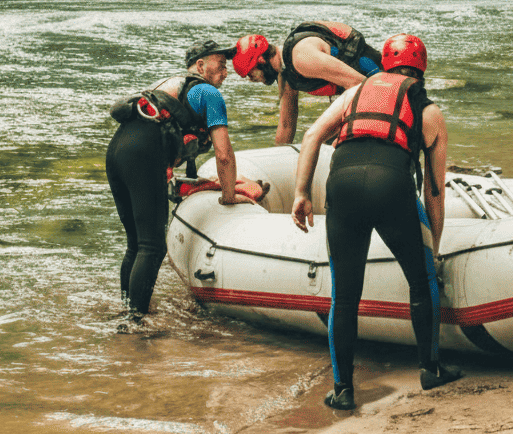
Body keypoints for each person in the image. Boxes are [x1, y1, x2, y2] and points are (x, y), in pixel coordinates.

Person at [291, 34, 462, 410]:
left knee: (345, 294)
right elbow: (434, 191)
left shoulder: (355, 93)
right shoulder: (428, 110)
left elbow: (312, 135)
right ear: (422, 70)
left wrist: (301, 192)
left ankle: (343, 390)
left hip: (343, 184)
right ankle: (430, 369)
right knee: (421, 281)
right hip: (390, 185)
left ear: (385, 66)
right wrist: (433, 244)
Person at [106, 40, 253, 316]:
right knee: (152, 246)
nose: (225, 72)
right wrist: (229, 196)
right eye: (220, 66)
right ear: (200, 66)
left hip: (117, 151)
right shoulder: (209, 93)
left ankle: (126, 311)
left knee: (136, 243)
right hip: (142, 154)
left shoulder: (169, 84)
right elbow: (224, 154)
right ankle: (135, 323)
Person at [232, 22, 382, 145]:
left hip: (381, 84)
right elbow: (286, 125)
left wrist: (337, 136)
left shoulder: (301, 57)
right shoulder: (285, 73)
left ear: (261, 61)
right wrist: (278, 155)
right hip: (364, 94)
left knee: (324, 141)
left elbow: (361, 85)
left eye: (251, 74)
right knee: (321, 142)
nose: (252, 80)